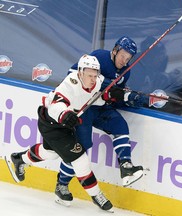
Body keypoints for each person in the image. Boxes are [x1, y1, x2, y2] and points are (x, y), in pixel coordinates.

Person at [6, 54, 119, 212]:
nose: (93, 79)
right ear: (80, 73)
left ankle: (19, 159)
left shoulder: (96, 81)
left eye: (95, 75)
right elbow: (56, 106)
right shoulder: (70, 84)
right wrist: (64, 114)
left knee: (50, 153)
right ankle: (96, 195)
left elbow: (93, 96)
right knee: (80, 159)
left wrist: (110, 96)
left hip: (62, 124)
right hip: (52, 122)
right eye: (89, 75)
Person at [55, 36, 148, 206]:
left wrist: (129, 99)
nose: (124, 61)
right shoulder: (99, 56)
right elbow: (72, 74)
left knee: (120, 125)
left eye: (128, 59)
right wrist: (103, 83)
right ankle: (61, 185)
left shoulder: (126, 71)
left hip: (101, 108)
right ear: (114, 50)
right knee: (79, 149)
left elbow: (113, 96)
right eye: (122, 56)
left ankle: (126, 166)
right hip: (84, 107)